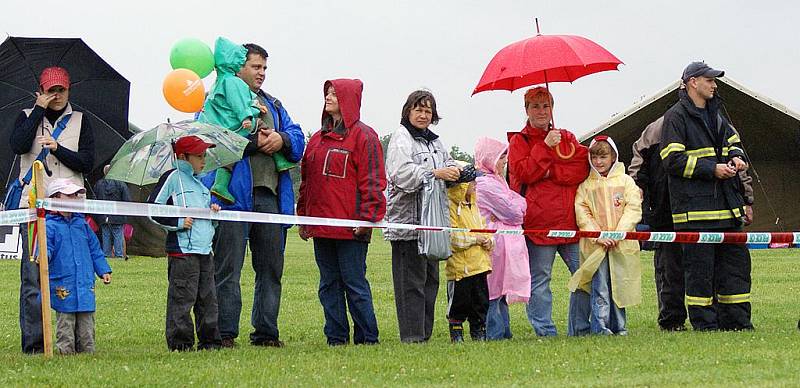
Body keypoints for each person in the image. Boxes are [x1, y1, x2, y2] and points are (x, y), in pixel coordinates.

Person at [207, 42, 305, 348]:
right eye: (255, 67)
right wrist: (252, 143)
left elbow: (299, 138)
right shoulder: (219, 98)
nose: (261, 73)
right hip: (233, 198)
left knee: (271, 269)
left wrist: (282, 138)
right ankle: (224, 333)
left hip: (271, 197)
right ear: (239, 68)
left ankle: (266, 332)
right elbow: (210, 140)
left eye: (264, 68)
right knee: (228, 268)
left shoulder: (274, 104)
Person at [630, 114, 755, 331]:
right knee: (670, 270)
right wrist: (636, 194)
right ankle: (672, 320)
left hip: (703, 212)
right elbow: (637, 168)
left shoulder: (716, 122)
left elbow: (738, 166)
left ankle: (715, 317)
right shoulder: (653, 130)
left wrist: (746, 199)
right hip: (665, 211)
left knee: (708, 267)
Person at [660, 62, 753, 331]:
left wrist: (737, 157)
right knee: (699, 276)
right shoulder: (675, 117)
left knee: (735, 272)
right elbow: (672, 160)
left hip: (727, 210)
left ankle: (737, 322)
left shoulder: (717, 114)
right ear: (692, 82)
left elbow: (733, 142)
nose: (714, 85)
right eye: (709, 80)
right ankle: (705, 325)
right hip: (695, 215)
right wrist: (711, 169)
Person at [9, 66, 95, 354]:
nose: (57, 95)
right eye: (51, 90)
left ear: (69, 90)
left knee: (74, 273)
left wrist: (58, 148)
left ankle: (75, 340)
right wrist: (37, 111)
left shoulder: (82, 121)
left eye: (61, 90)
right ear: (41, 91)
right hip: (34, 208)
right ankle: (35, 343)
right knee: (33, 277)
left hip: (71, 210)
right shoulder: (26, 116)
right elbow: (18, 145)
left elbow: (87, 162)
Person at [296, 79, 386, 346]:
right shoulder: (316, 140)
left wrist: (367, 219)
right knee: (328, 285)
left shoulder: (365, 136)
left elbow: (373, 179)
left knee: (355, 285)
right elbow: (306, 181)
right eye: (327, 92)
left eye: (335, 93)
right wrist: (303, 217)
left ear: (348, 99)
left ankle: (367, 337)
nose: (329, 96)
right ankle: (335, 337)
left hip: (351, 228)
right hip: (322, 226)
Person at [507, 86, 591, 337]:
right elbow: (523, 174)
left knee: (585, 276)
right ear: (526, 110)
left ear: (552, 108)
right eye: (535, 106)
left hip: (570, 221)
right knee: (540, 281)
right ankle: (545, 331)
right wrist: (545, 148)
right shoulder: (518, 142)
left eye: (546, 106)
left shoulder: (567, 137)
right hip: (539, 223)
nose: (541, 111)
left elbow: (580, 170)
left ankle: (580, 328)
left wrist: (549, 171)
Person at [385, 90, 459, 343]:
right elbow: (401, 173)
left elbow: (448, 163)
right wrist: (435, 173)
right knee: (410, 284)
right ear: (408, 111)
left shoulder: (435, 142)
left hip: (433, 224)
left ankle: (424, 334)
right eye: (419, 109)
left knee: (430, 282)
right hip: (407, 224)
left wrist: (459, 171)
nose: (423, 115)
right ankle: (412, 336)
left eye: (428, 111)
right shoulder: (401, 138)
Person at [148, 135, 222, 351]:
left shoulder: (201, 185)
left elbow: (206, 222)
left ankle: (210, 342)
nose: (204, 159)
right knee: (182, 300)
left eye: (205, 155)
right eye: (199, 156)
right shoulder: (171, 178)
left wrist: (213, 215)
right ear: (182, 156)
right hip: (182, 253)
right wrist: (178, 222)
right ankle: (181, 344)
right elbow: (153, 209)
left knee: (208, 299)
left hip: (205, 251)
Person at [569, 136, 642, 335]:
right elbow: (582, 212)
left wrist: (619, 234)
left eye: (603, 156)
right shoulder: (585, 186)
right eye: (594, 157)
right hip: (596, 246)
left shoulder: (626, 182)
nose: (598, 161)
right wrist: (598, 235)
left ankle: (619, 326)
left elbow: (633, 209)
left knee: (619, 286)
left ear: (613, 157)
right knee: (599, 286)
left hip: (621, 245)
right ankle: (600, 327)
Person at [45, 179, 112, 354]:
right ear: (55, 198)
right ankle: (65, 352)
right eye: (69, 195)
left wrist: (103, 269)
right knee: (65, 320)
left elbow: (94, 249)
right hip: (63, 281)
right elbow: (45, 248)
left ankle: (87, 352)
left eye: (76, 195)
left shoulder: (82, 224)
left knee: (87, 321)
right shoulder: (49, 226)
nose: (74, 198)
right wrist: (43, 256)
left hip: (84, 281)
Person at [474, 137, 529, 340]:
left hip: (504, 243)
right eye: (500, 156)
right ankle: (493, 333)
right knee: (493, 290)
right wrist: (514, 205)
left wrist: (514, 205)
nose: (504, 160)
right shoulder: (485, 184)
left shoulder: (498, 181)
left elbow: (517, 207)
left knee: (501, 291)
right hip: (494, 244)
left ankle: (504, 331)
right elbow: (515, 212)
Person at [445, 176, 493, 342]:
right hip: (460, 269)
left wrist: (489, 240)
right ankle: (456, 331)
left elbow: (485, 229)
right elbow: (453, 239)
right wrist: (476, 239)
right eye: (472, 181)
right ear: (462, 185)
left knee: (480, 302)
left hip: (480, 265)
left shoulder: (475, 206)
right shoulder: (450, 207)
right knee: (459, 302)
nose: (475, 185)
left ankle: (478, 330)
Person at [93, 165, 131, 259]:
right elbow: (127, 200)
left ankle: (106, 255)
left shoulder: (98, 184)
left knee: (106, 235)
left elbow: (94, 199)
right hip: (118, 215)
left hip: (103, 215)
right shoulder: (121, 184)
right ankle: (119, 255)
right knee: (118, 235)